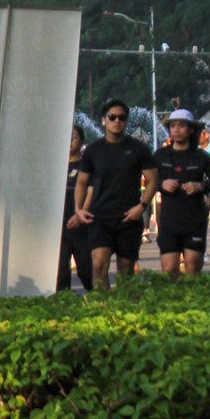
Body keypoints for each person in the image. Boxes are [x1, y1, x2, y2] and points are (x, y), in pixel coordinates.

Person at [73, 97, 158, 287]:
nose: (117, 121)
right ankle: (103, 303)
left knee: (125, 271)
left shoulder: (139, 149)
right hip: (100, 216)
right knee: (98, 266)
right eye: (112, 117)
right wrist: (78, 209)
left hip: (129, 217)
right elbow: (81, 182)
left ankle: (122, 303)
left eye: (122, 117)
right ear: (104, 120)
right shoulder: (93, 151)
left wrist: (142, 206)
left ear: (126, 121)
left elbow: (153, 181)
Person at [155, 108, 210, 277]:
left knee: (192, 270)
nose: (176, 129)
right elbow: (147, 180)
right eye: (173, 126)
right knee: (169, 271)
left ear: (191, 129)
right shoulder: (161, 155)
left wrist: (201, 186)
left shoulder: (201, 156)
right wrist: (162, 184)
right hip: (169, 220)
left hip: (194, 221)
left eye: (181, 126)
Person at [57, 124, 93, 291]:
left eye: (74, 138)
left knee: (86, 271)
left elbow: (91, 191)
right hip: (60, 226)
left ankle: (99, 298)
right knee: (61, 271)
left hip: (82, 225)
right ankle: (64, 301)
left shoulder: (86, 165)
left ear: (81, 141)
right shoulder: (56, 165)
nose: (70, 141)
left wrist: (80, 214)